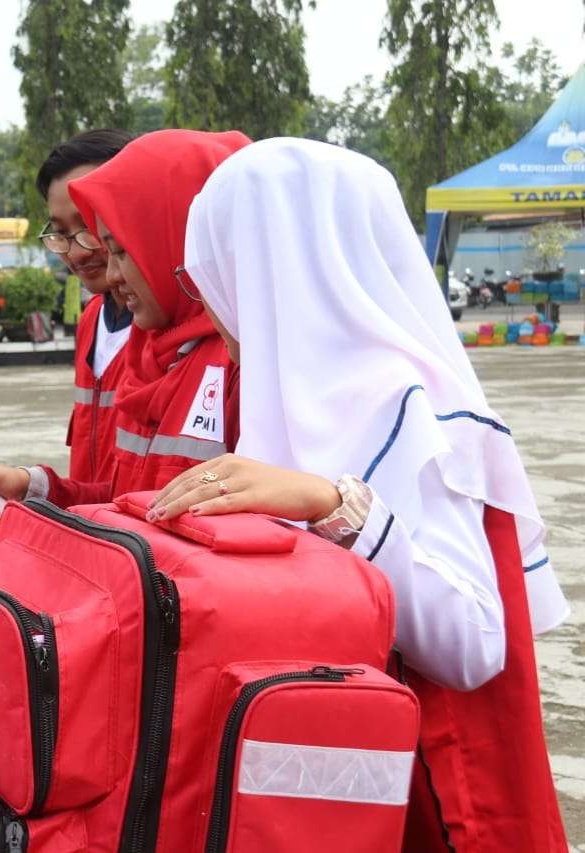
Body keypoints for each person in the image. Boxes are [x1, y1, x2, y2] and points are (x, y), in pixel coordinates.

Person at [149, 138, 569, 853]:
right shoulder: (284, 395)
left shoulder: (403, 403)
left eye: (217, 270)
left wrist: (332, 503)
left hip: (431, 799)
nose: (212, 299)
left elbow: (473, 643)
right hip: (344, 780)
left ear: (274, 267)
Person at [0, 130, 250, 528]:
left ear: (172, 230)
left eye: (116, 245)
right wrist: (33, 490)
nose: (86, 256)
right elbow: (125, 497)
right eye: (62, 233)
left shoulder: (238, 360)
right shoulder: (149, 344)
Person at [36, 128, 135, 482]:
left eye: (91, 225)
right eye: (60, 233)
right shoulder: (93, 318)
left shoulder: (179, 332)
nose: (76, 252)